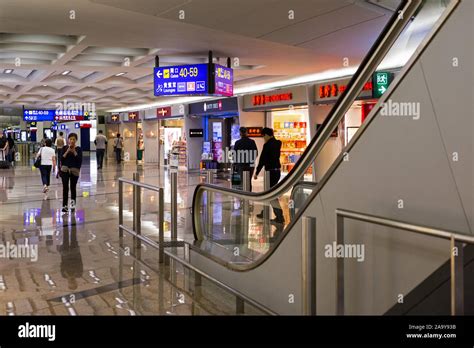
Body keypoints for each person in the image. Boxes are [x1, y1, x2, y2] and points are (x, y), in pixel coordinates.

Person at [254, 127, 284, 224]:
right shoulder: (278, 143)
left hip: (270, 172)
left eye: (263, 136)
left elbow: (262, 160)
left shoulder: (267, 145)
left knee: (271, 194)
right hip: (277, 171)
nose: (263, 138)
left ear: (267, 135)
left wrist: (257, 172)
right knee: (269, 193)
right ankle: (265, 212)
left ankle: (279, 216)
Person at [60, 133, 82, 213]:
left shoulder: (79, 149)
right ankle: (64, 206)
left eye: (73, 139)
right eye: (70, 139)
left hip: (74, 171)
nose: (72, 141)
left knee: (73, 188)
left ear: (76, 140)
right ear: (68, 140)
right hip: (65, 170)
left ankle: (72, 206)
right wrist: (67, 151)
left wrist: (74, 152)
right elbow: (61, 159)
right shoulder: (64, 148)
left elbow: (80, 160)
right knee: (65, 188)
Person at [233, 127, 258, 191]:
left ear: (240, 133)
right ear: (247, 133)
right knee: (248, 181)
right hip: (250, 165)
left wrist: (235, 164)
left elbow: (234, 155)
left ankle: (243, 196)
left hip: (241, 165)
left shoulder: (237, 143)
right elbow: (256, 153)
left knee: (242, 181)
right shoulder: (252, 142)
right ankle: (249, 194)